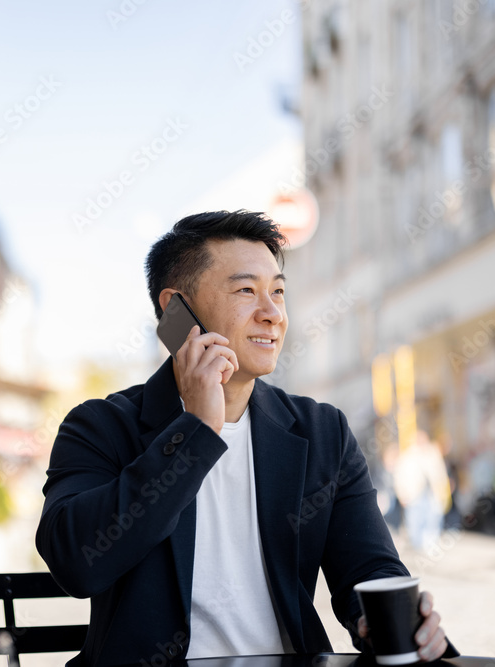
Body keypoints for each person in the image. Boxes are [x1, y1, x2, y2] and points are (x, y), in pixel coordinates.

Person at [36, 211, 456, 666]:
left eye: (277, 291)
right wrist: (195, 429)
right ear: (177, 309)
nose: (273, 314)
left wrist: (392, 621)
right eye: (245, 291)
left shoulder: (322, 432)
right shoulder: (101, 426)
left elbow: (369, 569)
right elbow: (77, 564)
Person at [393, 430, 452, 551]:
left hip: (431, 494)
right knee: (415, 522)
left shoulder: (432, 454)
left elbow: (439, 472)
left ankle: (430, 544)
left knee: (433, 519)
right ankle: (418, 546)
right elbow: (399, 477)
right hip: (413, 494)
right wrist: (402, 494)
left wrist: (444, 487)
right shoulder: (407, 456)